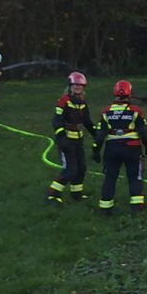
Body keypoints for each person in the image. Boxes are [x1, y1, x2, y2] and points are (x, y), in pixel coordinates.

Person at [92, 79, 147, 215]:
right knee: (134, 177)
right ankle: (137, 209)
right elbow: (144, 133)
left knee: (110, 178)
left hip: (112, 149)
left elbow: (100, 134)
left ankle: (105, 209)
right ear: (129, 94)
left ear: (115, 93)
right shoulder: (135, 111)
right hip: (132, 149)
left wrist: (96, 150)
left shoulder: (106, 111)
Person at [47, 71, 97, 205]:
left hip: (78, 141)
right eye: (75, 85)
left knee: (81, 168)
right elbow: (56, 121)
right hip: (66, 141)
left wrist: (98, 135)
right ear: (70, 86)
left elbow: (87, 122)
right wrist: (61, 138)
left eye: (80, 86)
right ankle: (53, 194)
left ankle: (76, 194)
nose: (78, 88)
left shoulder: (82, 102)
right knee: (70, 170)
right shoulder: (64, 101)